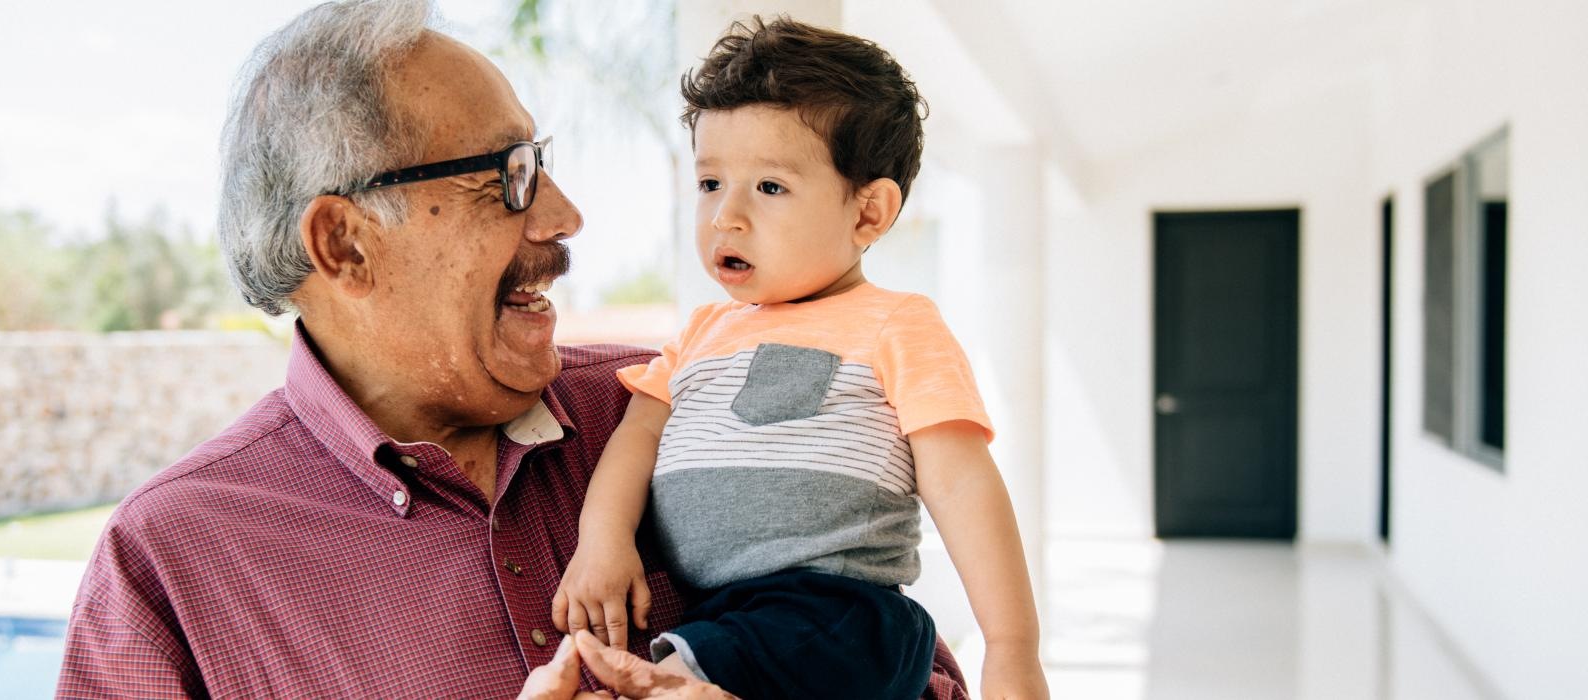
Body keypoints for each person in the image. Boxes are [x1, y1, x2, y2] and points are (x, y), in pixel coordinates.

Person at [55, 2, 971, 697]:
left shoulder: (672, 402)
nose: (567, 217)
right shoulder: (168, 564)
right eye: (511, 178)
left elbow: (913, 663)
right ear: (343, 244)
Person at [553, 17, 1050, 700]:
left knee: (747, 651)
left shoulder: (895, 324)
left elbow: (963, 485)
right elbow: (637, 438)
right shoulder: (699, 333)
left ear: (868, 214)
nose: (726, 216)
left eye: (770, 188)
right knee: (727, 648)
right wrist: (601, 541)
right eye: (709, 184)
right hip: (722, 612)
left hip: (844, 612)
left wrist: (1011, 650)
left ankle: (664, 684)